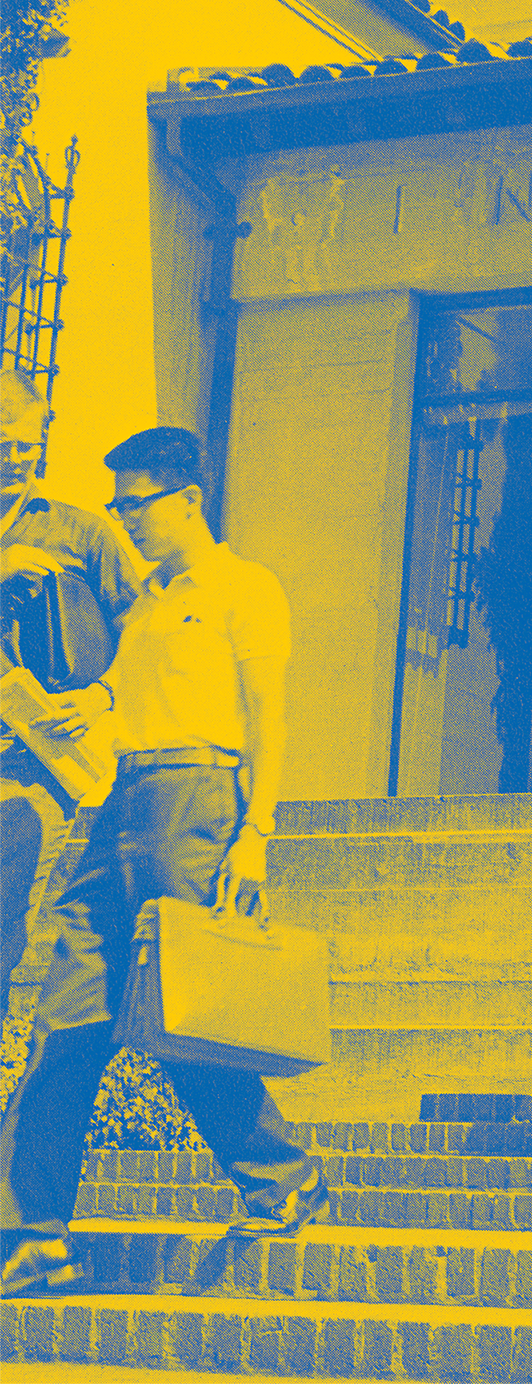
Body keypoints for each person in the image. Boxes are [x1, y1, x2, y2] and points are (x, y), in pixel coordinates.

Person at [0, 426, 325, 1299]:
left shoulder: (242, 589)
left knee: (182, 1008)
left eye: (133, 502)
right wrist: (88, 713)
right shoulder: (146, 605)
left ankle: (282, 1175)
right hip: (121, 804)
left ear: (187, 498)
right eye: (116, 504)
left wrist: (258, 829)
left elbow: (267, 714)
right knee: (66, 1019)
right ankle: (36, 1235)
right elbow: (132, 698)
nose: (122, 519)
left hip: (198, 798)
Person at [0, 370, 141, 1011]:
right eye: (2, 446)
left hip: (37, 767)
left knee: (15, 936)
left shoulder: (82, 534)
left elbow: (144, 633)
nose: (14, 463)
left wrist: (101, 697)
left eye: (26, 448)